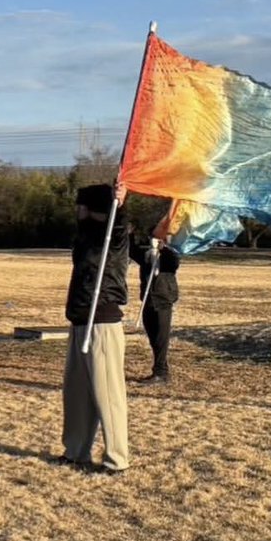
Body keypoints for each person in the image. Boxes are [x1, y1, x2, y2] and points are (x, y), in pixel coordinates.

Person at [57, 181, 130, 476]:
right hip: (79, 321)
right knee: (76, 394)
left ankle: (116, 458)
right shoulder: (85, 237)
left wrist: (120, 204)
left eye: (82, 206)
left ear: (95, 209)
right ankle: (76, 452)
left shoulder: (113, 236)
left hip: (102, 322)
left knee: (108, 393)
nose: (78, 211)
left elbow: (120, 227)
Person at [130, 222, 180, 383]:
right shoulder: (147, 255)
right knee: (152, 336)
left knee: (161, 338)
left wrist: (163, 249)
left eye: (157, 237)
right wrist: (130, 234)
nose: (154, 239)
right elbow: (132, 251)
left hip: (163, 300)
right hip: (148, 300)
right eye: (153, 236)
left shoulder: (168, 254)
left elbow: (174, 262)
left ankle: (161, 372)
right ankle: (159, 368)